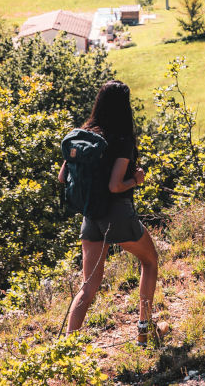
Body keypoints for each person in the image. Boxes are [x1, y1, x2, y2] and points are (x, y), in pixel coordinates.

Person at [58, 80, 159, 345]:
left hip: (91, 214)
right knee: (149, 262)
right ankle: (144, 331)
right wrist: (137, 180)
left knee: (88, 286)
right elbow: (116, 186)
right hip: (117, 214)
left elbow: (62, 176)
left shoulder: (83, 134)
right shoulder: (122, 139)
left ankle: (68, 349)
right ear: (124, 106)